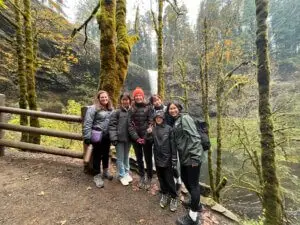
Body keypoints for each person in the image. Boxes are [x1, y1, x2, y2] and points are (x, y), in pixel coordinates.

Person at [167, 102, 205, 225]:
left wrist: (194, 157)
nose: (172, 110)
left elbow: (194, 137)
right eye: (170, 109)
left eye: (174, 108)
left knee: (193, 185)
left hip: (192, 157)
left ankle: (193, 217)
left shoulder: (185, 118)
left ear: (179, 109)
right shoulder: (177, 121)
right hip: (184, 158)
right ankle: (196, 204)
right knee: (185, 179)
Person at [146, 111, 178, 212]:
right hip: (157, 157)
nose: (158, 119)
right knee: (161, 177)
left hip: (167, 158)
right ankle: (164, 194)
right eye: (157, 118)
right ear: (155, 119)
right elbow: (149, 142)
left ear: (163, 118)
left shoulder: (169, 129)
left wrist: (174, 158)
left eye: (160, 117)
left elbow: (173, 145)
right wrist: (148, 133)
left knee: (169, 178)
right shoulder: (154, 129)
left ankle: (173, 197)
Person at [83, 90, 114, 188]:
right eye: (102, 97)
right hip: (96, 136)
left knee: (106, 154)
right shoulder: (93, 108)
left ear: (108, 98)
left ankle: (105, 171)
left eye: (105, 97)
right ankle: (97, 175)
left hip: (107, 136)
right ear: (98, 98)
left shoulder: (110, 108)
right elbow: (88, 122)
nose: (104, 99)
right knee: (97, 155)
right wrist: (87, 137)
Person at [128, 87, 153, 190]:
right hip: (136, 138)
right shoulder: (131, 109)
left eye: (140, 95)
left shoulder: (149, 107)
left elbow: (151, 122)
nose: (138, 97)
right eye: (136, 95)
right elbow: (129, 124)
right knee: (139, 158)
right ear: (134, 97)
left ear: (143, 96)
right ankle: (142, 175)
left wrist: (145, 137)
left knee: (148, 158)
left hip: (147, 138)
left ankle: (149, 176)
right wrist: (136, 138)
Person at [109, 93, 133, 186]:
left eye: (127, 99)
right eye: (123, 99)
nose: (125, 101)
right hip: (119, 139)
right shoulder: (116, 112)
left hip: (129, 139)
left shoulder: (132, 111)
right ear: (121, 101)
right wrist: (114, 138)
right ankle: (121, 175)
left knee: (126, 156)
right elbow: (112, 126)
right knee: (120, 158)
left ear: (129, 101)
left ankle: (126, 173)